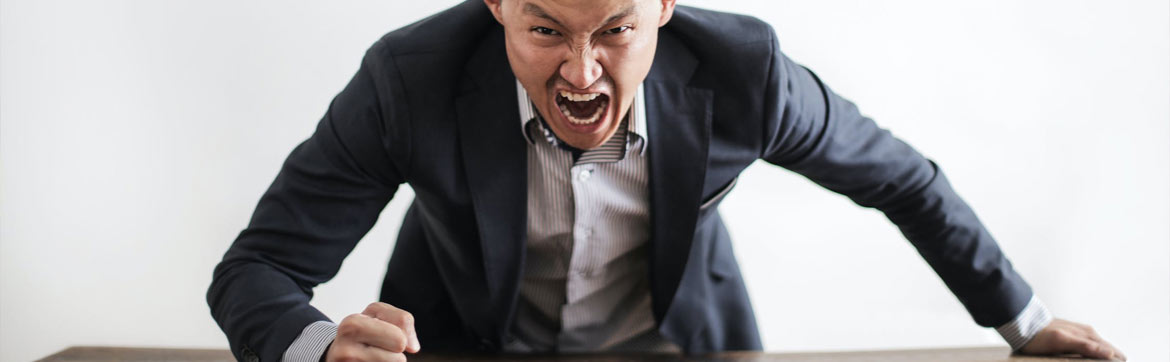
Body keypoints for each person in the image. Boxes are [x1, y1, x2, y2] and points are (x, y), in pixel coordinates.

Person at [207, 1, 1127, 361]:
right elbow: (255, 272)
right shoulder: (408, 81)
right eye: (542, 30)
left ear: (664, 7)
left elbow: (905, 182)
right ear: (494, 6)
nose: (580, 74)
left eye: (614, 29)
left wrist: (1028, 322)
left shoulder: (746, 75)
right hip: (462, 343)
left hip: (682, 344)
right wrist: (318, 345)